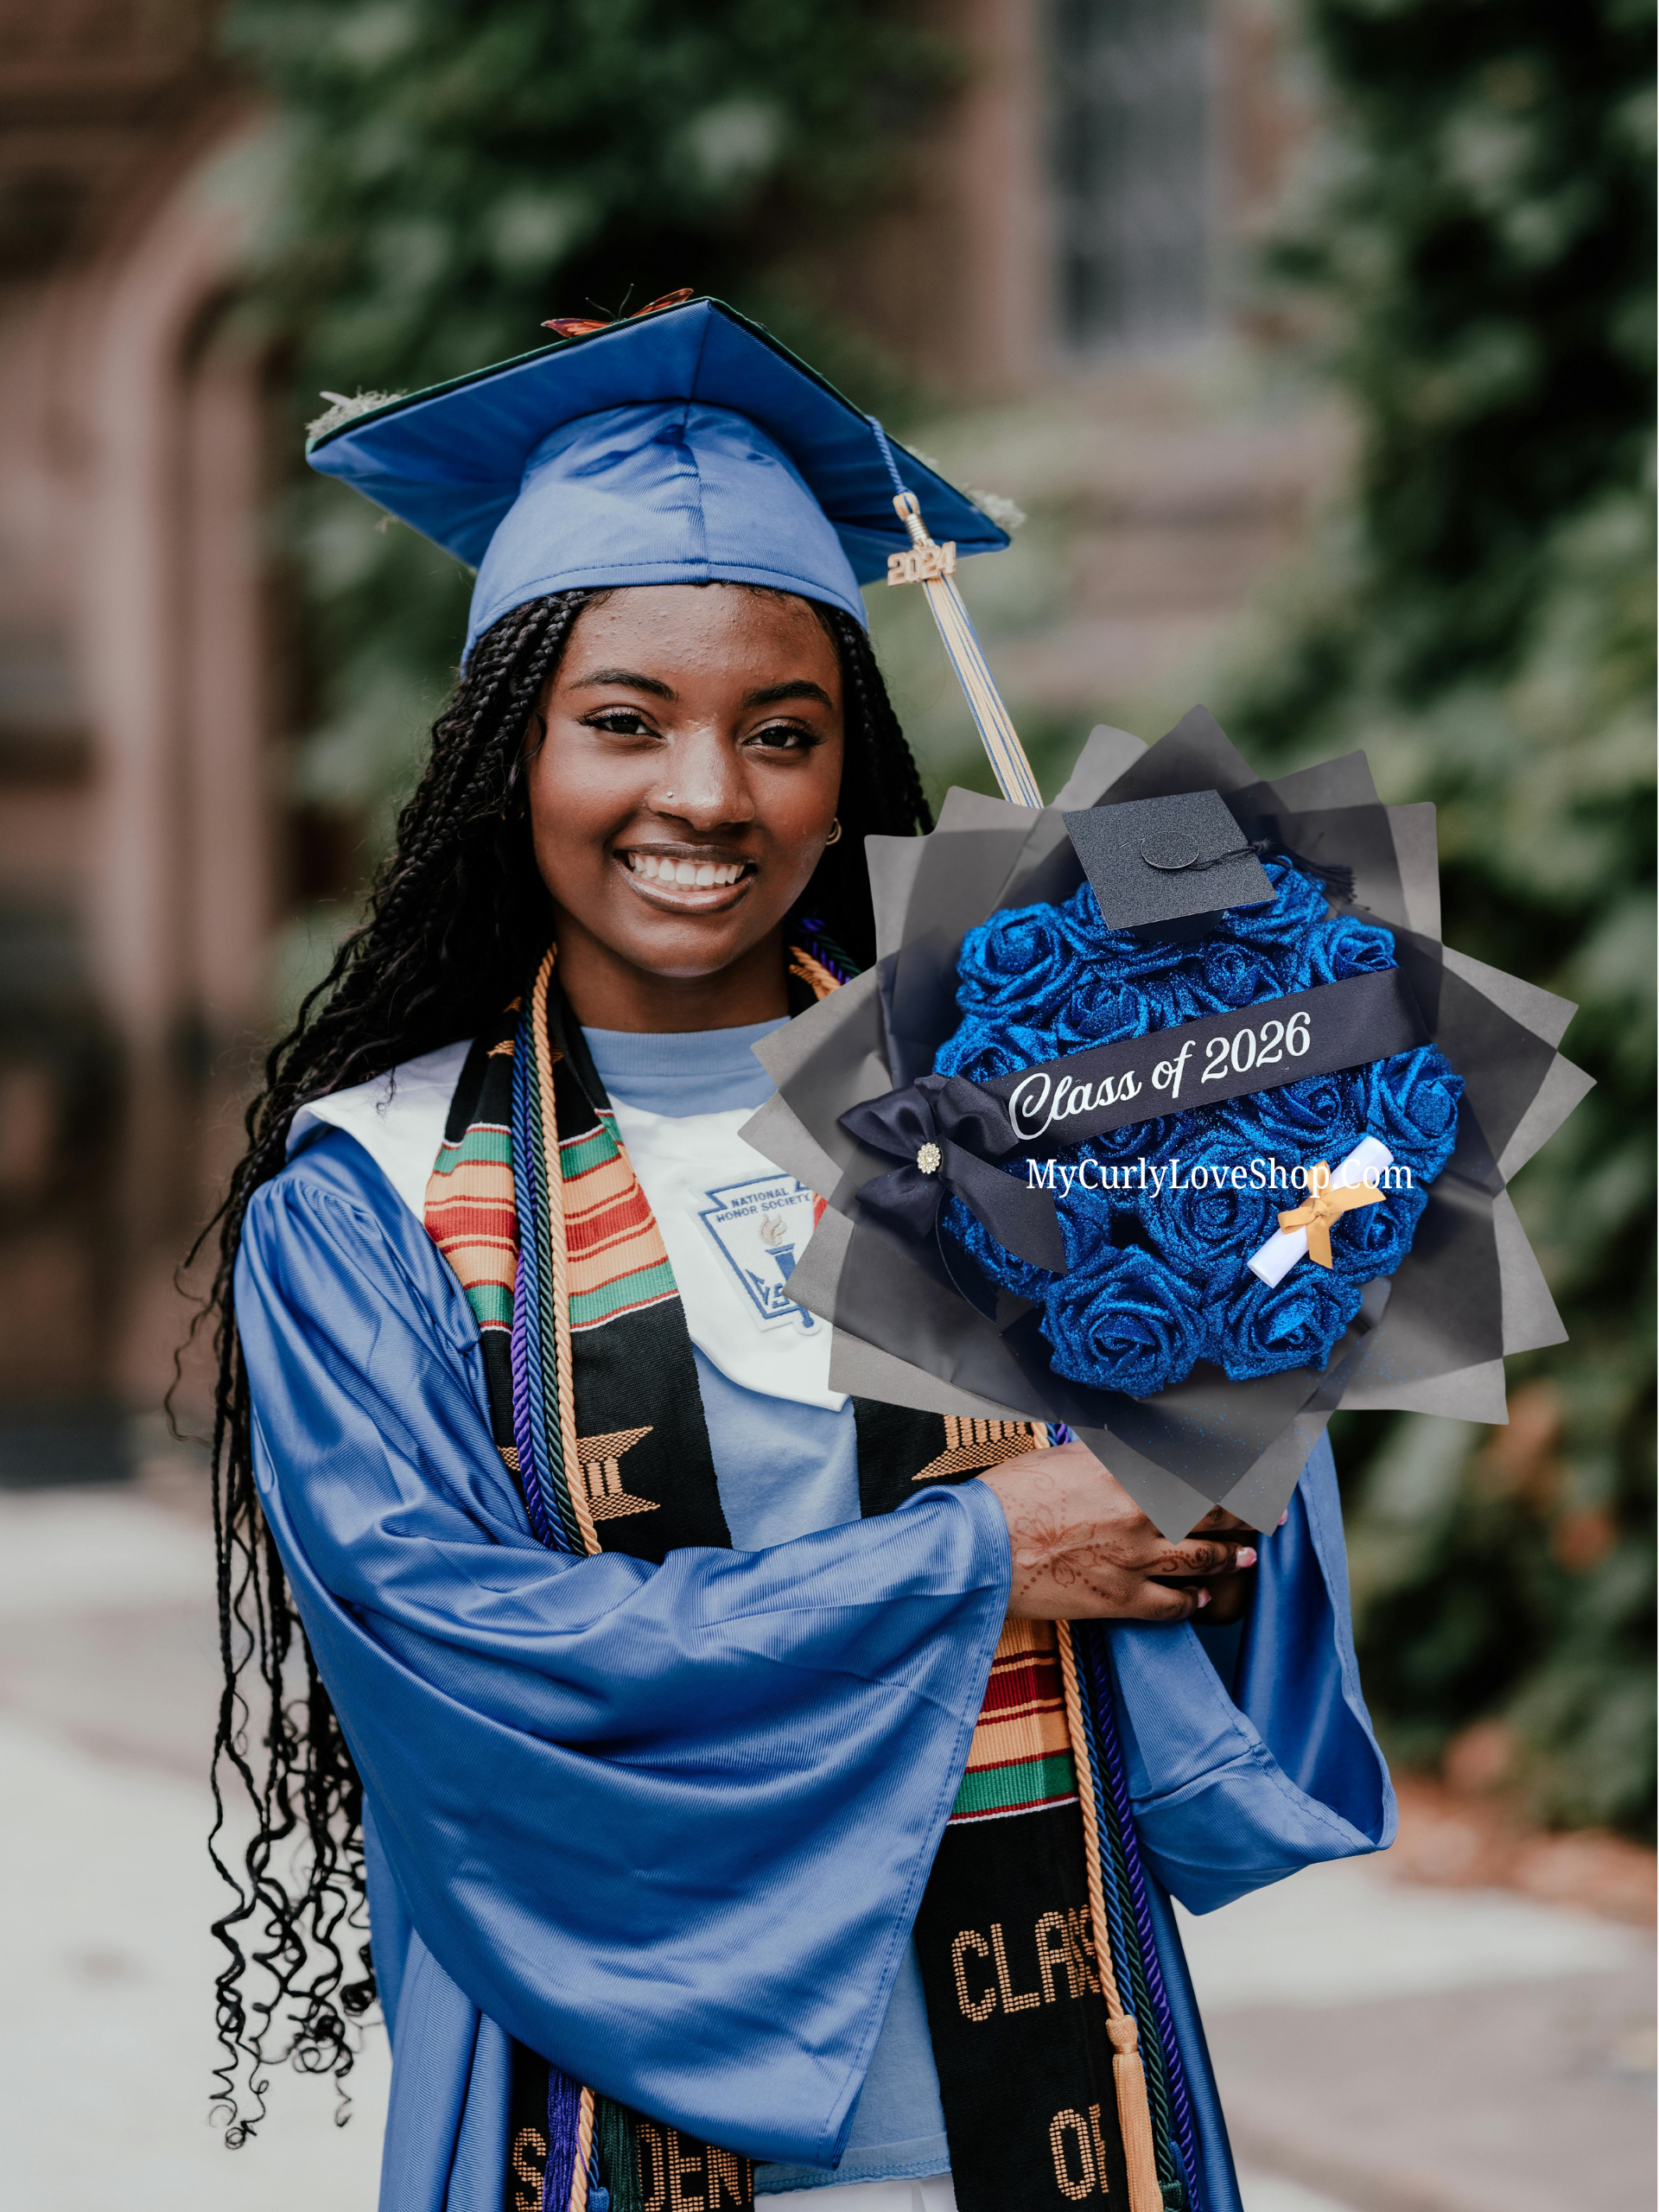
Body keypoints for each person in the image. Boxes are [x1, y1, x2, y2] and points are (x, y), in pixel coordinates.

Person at [209, 297, 1393, 2212]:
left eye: (783, 731)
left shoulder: (1022, 1102)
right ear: (514, 753)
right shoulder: (374, 1200)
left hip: (1048, 2096)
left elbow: (1213, 1588)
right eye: (624, 721)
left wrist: (1244, 1312)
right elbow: (469, 1663)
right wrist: (983, 1557)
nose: (706, 795)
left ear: (849, 770)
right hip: (592, 2108)